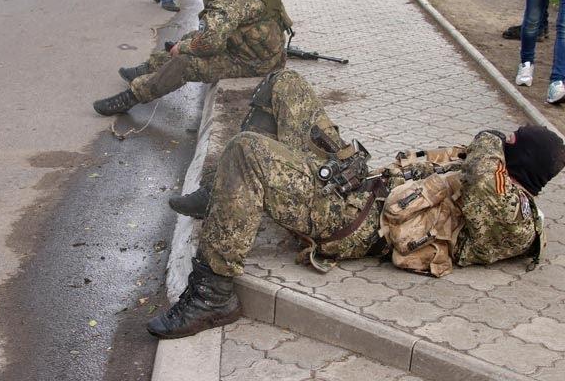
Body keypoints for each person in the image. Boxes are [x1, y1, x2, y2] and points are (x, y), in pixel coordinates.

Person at [146, 69, 565, 339]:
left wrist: (491, 138)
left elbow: (484, 180)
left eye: (511, 144)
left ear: (521, 165)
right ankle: (225, 194)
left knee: (246, 152)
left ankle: (213, 292)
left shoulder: (516, 219)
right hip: (358, 184)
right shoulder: (490, 174)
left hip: (352, 223)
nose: (499, 142)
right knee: (284, 83)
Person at [93, 0, 292, 116]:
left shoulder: (224, 1)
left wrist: (183, 48)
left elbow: (210, 44)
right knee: (191, 37)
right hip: (257, 43)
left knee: (185, 63)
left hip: (257, 61)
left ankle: (132, 96)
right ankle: (150, 67)